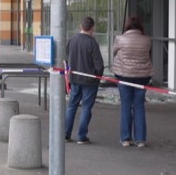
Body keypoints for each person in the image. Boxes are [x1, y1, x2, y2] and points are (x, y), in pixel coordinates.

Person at [112, 17, 153, 148]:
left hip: (124, 76)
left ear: (127, 26)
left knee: (125, 106)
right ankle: (140, 139)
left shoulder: (120, 39)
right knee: (139, 107)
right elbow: (148, 54)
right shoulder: (147, 40)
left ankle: (125, 139)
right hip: (142, 77)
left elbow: (114, 52)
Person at [65, 16, 105, 144]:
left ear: (80, 27)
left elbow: (66, 58)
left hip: (74, 79)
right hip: (89, 81)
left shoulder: (71, 40)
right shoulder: (92, 43)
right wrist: (97, 76)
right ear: (92, 28)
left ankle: (66, 134)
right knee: (86, 108)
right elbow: (99, 65)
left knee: (72, 106)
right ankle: (82, 136)